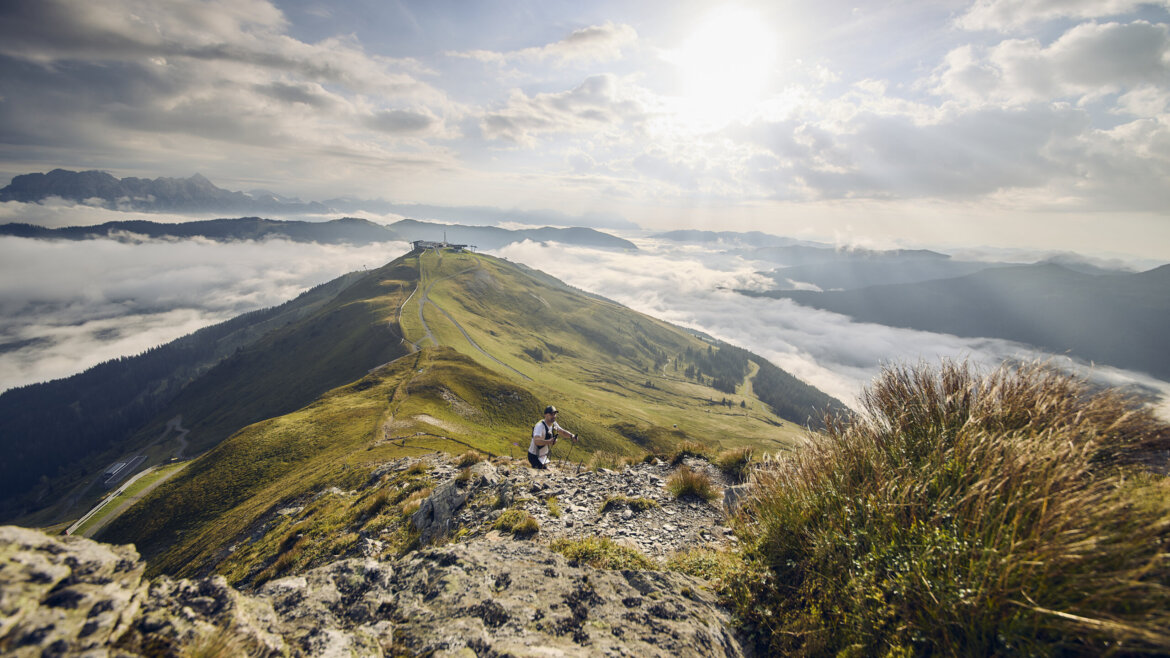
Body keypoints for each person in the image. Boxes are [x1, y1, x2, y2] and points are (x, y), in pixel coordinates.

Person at [528, 405, 577, 469]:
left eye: (555, 414)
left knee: (545, 472)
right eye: (551, 414)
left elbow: (562, 432)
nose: (554, 416)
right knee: (544, 473)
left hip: (542, 456)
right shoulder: (540, 426)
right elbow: (536, 441)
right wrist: (549, 441)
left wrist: (571, 436)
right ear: (545, 415)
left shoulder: (554, 424)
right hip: (534, 456)